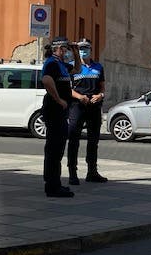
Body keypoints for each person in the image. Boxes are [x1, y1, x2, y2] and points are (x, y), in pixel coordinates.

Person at [41, 37, 80, 197]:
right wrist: (59, 99)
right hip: (54, 109)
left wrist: (76, 52)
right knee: (54, 148)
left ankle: (54, 182)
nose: (66, 51)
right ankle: (52, 186)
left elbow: (77, 70)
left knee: (58, 148)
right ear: (56, 49)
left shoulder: (61, 65)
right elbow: (46, 80)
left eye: (66, 49)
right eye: (63, 48)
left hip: (60, 111)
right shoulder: (51, 62)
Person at [66, 38, 107, 185]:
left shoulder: (98, 67)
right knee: (74, 140)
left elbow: (102, 86)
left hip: (94, 107)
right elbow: (66, 89)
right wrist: (79, 96)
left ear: (91, 49)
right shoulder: (71, 67)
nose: (84, 51)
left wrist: (100, 95)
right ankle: (72, 173)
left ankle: (92, 171)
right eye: (81, 48)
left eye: (87, 48)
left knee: (93, 141)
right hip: (77, 106)